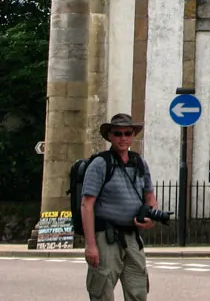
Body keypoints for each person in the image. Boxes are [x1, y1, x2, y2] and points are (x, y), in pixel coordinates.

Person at [81, 113, 158, 300]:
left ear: (133, 135)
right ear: (110, 136)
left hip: (132, 237)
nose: (123, 138)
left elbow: (150, 197)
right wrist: (91, 245)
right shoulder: (100, 164)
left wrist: (151, 217)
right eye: (117, 133)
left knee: (138, 290)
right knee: (102, 290)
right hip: (106, 237)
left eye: (127, 133)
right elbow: (86, 204)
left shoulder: (139, 163)